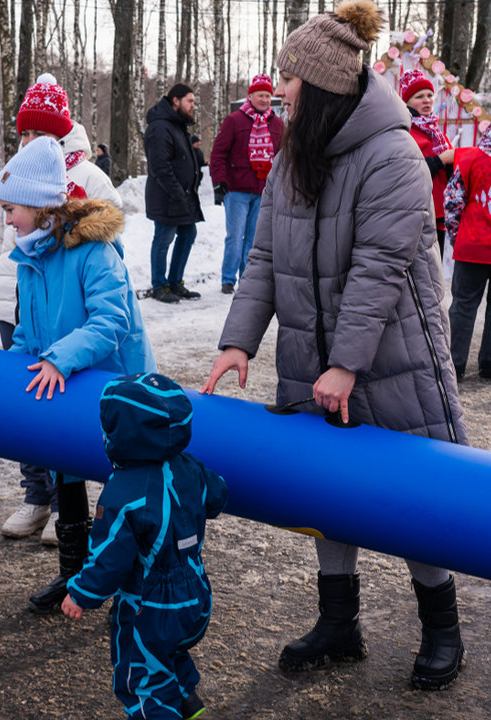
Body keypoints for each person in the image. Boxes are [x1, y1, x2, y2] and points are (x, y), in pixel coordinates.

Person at [200, 0, 469, 691]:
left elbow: (381, 268)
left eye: (289, 79)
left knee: (412, 492)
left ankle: (443, 628)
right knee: (324, 490)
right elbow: (264, 257)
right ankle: (339, 622)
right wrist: (239, 342)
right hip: (310, 357)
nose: (279, 88)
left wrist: (346, 364)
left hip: (390, 359)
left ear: (320, 85)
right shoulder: (295, 154)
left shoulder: (393, 156)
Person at [0, 136, 156, 614]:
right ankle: (73, 574)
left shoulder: (93, 250)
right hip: (66, 385)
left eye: (12, 209)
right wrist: (11, 364)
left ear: (42, 205)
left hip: (114, 387)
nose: (7, 220)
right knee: (65, 473)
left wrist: (58, 358)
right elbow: (29, 328)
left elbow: (111, 322)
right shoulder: (31, 256)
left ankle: (130, 585)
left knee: (121, 490)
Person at [0, 74, 122, 546]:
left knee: (84, 432)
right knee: (36, 415)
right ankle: (44, 504)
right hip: (28, 312)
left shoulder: (88, 188)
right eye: (23, 132)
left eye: (38, 132)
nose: (28, 141)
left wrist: (64, 350)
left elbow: (108, 305)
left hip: (79, 332)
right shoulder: (16, 191)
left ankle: (101, 548)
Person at [62, 373, 227, 720]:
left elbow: (109, 556)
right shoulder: (191, 468)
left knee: (140, 678)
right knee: (169, 653)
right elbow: (217, 496)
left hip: (149, 603)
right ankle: (190, 708)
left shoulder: (124, 493)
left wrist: (81, 593)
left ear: (123, 436)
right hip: (196, 595)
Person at [209, 73, 284, 295]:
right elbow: (218, 153)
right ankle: (227, 279)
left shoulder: (277, 124)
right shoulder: (234, 121)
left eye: (268, 96)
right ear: (250, 96)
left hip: (263, 191)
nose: (265, 100)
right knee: (235, 236)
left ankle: (247, 278)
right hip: (237, 189)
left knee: (253, 239)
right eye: (261, 95)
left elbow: (282, 157)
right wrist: (219, 181)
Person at [144, 83, 204, 304]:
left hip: (182, 195)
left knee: (188, 235)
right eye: (190, 101)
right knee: (163, 239)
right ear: (175, 101)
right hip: (167, 196)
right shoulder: (161, 127)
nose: (193, 105)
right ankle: (159, 285)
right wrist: (178, 193)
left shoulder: (177, 125)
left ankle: (175, 282)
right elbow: (160, 167)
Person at [444, 126, 491, 381]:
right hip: (473, 243)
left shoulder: (470, 157)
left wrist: (455, 237)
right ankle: (489, 365)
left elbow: (453, 200)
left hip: (472, 243)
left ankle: (454, 363)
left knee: (463, 305)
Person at [402, 69, 455, 261]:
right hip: (418, 214)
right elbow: (408, 173)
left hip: (438, 215)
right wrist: (441, 160)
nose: (427, 100)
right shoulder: (406, 132)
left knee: (435, 268)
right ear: (406, 102)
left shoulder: (435, 132)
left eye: (430, 95)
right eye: (419, 96)